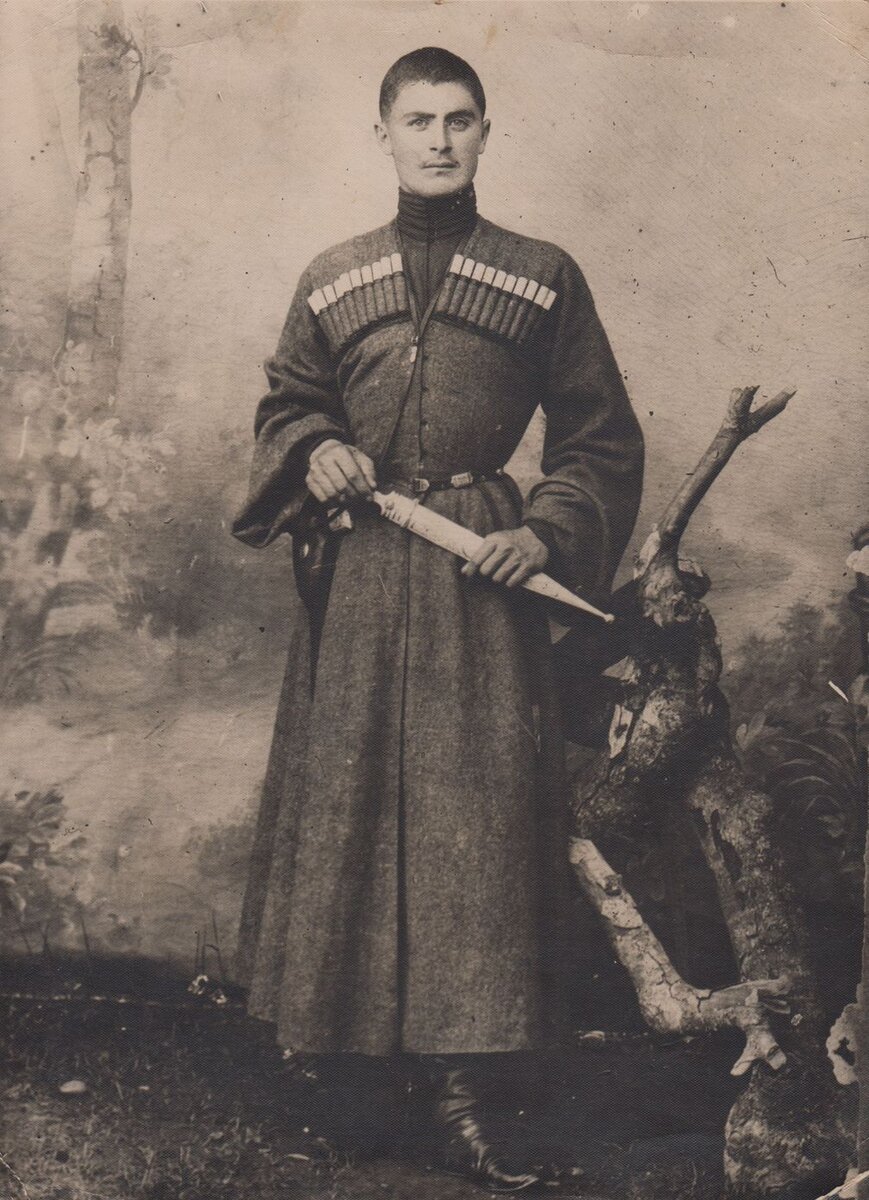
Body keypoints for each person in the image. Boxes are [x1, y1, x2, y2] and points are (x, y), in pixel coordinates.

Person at [232, 47, 644, 1192]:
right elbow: (286, 406)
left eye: (459, 120)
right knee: (352, 812)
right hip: (360, 585)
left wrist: (548, 532)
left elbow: (597, 435)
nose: (438, 139)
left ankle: (472, 1100)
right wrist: (314, 450)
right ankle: (360, 1088)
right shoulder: (332, 276)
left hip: (477, 580)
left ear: (483, 133)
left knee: (477, 833)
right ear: (382, 134)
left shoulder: (539, 275)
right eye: (417, 120)